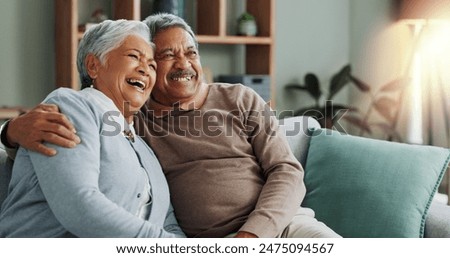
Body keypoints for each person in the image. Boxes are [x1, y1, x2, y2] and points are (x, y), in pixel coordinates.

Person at [1, 13, 339, 238]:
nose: (184, 64)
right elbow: (62, 159)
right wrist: (11, 131)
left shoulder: (238, 98)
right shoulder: (127, 119)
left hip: (279, 227)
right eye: (162, 57)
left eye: (191, 53)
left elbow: (287, 171)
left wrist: (250, 238)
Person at [0, 19, 185, 238]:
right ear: (93, 66)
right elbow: (79, 206)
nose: (145, 69)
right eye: (134, 56)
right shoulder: (71, 106)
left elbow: (168, 224)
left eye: (152, 65)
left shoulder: (145, 150)